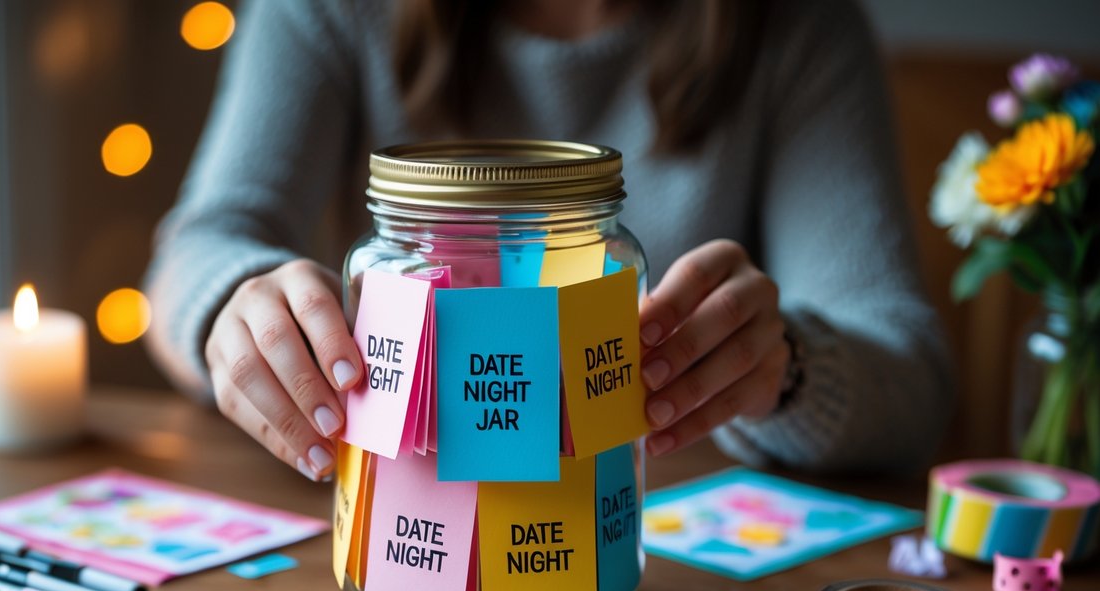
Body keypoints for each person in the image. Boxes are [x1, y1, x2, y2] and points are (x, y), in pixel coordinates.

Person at [144, 0, 953, 482]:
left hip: (645, 522)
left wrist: (784, 365)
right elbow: (205, 242)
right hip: (393, 508)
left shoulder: (798, 26)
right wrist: (232, 304)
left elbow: (908, 369)